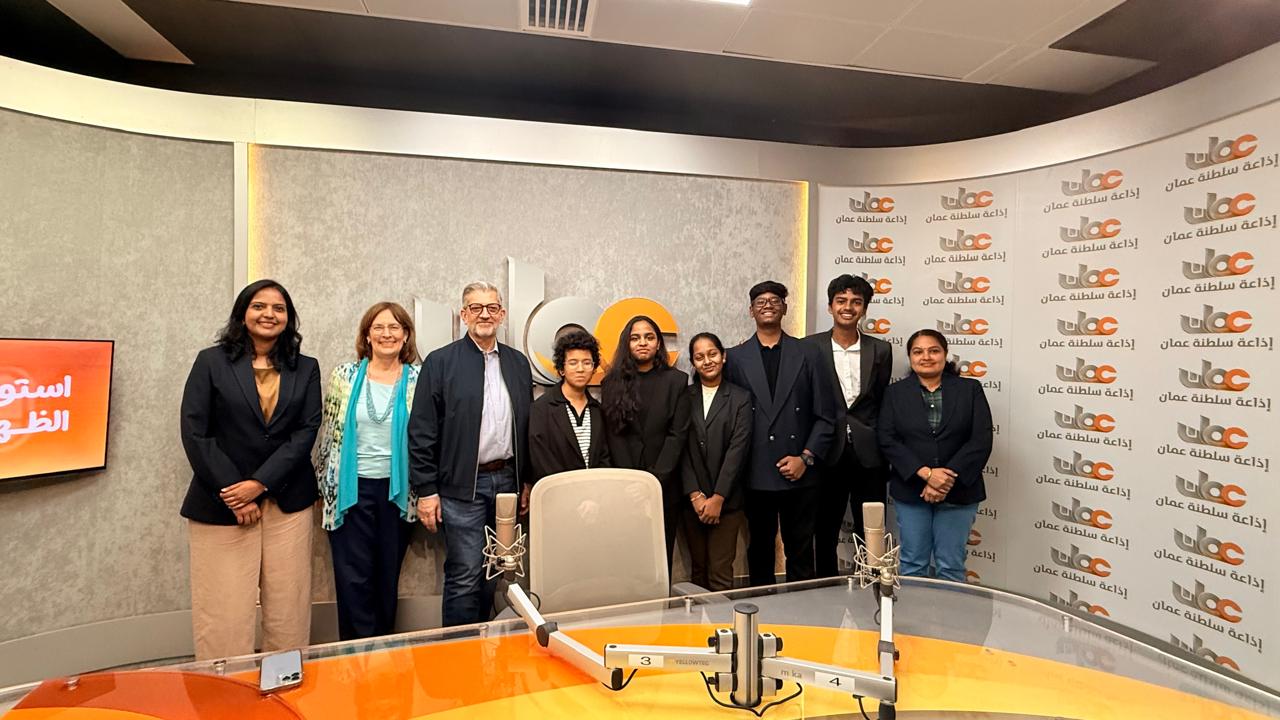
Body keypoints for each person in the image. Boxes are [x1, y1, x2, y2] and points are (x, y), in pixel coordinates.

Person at [179, 279, 321, 660]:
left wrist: (259, 484)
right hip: (222, 503)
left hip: (287, 503)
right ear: (243, 314)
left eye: (279, 308)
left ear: (288, 318)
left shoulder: (306, 368)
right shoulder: (211, 362)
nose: (269, 314)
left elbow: (306, 432)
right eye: (259, 306)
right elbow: (195, 431)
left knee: (289, 609)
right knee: (222, 612)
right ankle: (224, 686)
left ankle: (285, 682)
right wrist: (234, 490)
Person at [408, 282, 532, 627]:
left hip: (507, 483)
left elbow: (526, 425)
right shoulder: (441, 362)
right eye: (476, 308)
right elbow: (421, 431)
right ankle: (457, 650)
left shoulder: (518, 363)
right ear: (464, 314)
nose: (484, 315)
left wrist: (526, 480)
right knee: (465, 574)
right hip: (462, 486)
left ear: (502, 315)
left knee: (495, 570)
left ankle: (482, 647)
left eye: (491, 308)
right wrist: (426, 490)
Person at [314, 301, 420, 640]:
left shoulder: (418, 379)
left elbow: (427, 438)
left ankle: (382, 651)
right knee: (352, 579)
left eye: (395, 327)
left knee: (386, 576)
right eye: (379, 327)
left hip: (397, 491)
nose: (387, 334)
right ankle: (354, 655)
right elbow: (329, 433)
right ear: (367, 335)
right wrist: (324, 487)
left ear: (406, 336)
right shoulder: (344, 376)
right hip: (350, 490)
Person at [726, 280, 837, 586]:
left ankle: (803, 609)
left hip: (801, 470)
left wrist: (806, 457)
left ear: (785, 308)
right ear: (751, 311)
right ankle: (761, 609)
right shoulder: (735, 357)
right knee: (759, 549)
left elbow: (826, 415)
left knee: (800, 549)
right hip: (755, 470)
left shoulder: (809, 353)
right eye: (760, 302)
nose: (768, 306)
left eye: (775, 300)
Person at [877, 329, 993, 582]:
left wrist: (945, 479)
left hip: (959, 491)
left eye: (933, 351)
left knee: (951, 565)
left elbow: (980, 439)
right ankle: (914, 611)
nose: (926, 357)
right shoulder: (895, 393)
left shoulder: (970, 389)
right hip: (912, 490)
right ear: (910, 357)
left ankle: (951, 611)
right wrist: (927, 474)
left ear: (945, 354)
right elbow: (887, 439)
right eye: (918, 352)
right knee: (912, 564)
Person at [804, 275, 892, 577]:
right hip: (826, 450)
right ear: (830, 307)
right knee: (824, 526)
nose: (848, 307)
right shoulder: (809, 347)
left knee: (872, 528)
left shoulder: (880, 350)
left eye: (856, 302)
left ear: (864, 309)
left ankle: (875, 585)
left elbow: (879, 400)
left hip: (869, 454)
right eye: (841, 301)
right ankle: (824, 586)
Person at [601, 315, 690, 572]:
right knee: (626, 562)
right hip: (625, 489)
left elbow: (677, 435)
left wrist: (652, 482)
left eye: (649, 337)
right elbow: (613, 435)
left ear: (658, 343)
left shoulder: (677, 381)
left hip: (664, 488)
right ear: (626, 343)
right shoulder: (612, 383)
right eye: (635, 338)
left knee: (660, 561)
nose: (643, 342)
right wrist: (633, 483)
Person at [680, 332, 752, 591]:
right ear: (693, 362)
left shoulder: (741, 398)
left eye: (712, 354)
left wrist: (718, 498)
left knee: (720, 574)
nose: (707, 361)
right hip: (693, 502)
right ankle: (698, 621)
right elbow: (681, 449)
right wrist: (695, 495)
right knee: (697, 572)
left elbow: (738, 451)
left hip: (727, 503)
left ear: (723, 356)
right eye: (699, 357)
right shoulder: (684, 397)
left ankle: (721, 620)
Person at [527, 330, 610, 497]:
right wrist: (573, 496)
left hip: (594, 498)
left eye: (587, 363)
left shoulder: (598, 410)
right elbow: (541, 460)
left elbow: (605, 457)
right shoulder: (542, 408)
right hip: (557, 497)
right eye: (573, 363)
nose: (580, 369)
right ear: (561, 369)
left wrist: (593, 496)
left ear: (594, 368)